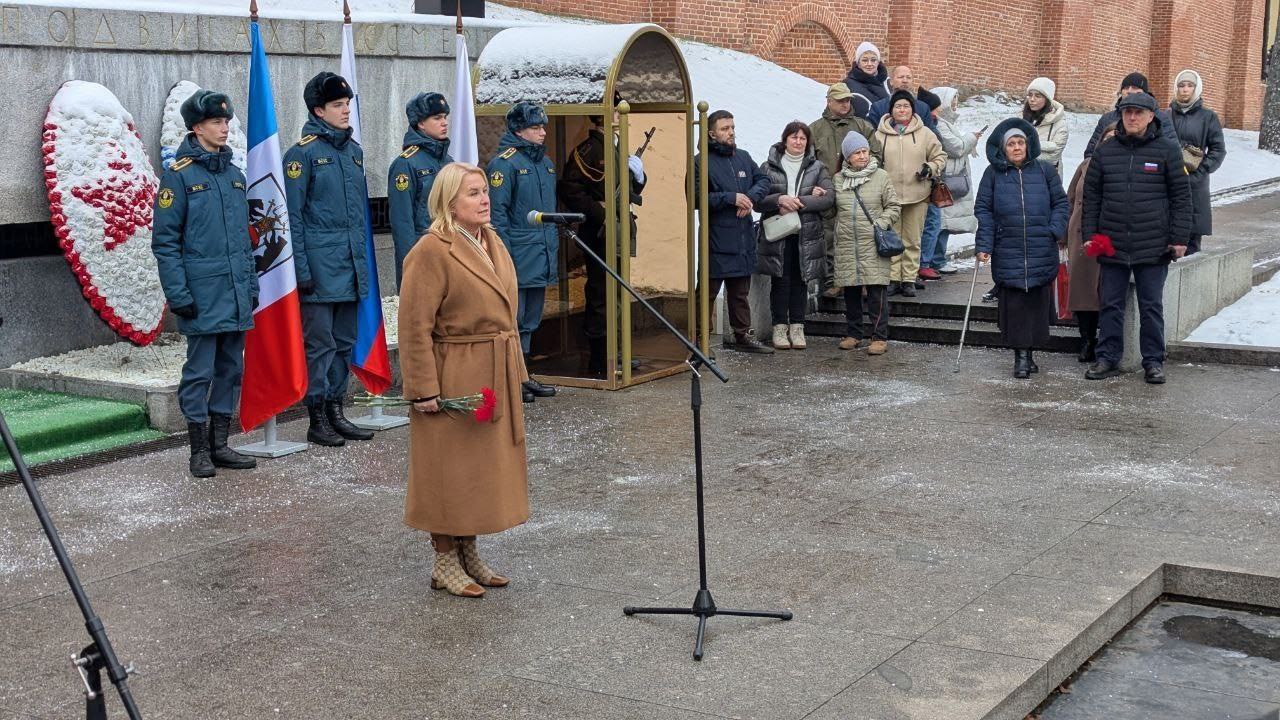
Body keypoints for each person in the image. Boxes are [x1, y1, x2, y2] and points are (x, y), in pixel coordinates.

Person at [398, 162, 528, 599]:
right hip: (453, 373)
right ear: (449, 201)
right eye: (473, 193)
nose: (485, 198)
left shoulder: (491, 241)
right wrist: (424, 389)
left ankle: (468, 551)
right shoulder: (431, 251)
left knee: (477, 470)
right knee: (446, 470)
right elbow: (414, 325)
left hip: (490, 371)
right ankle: (444, 559)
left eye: (485, 190)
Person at [152, 90, 259, 478]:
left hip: (233, 294)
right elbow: (165, 243)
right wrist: (178, 294)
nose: (224, 128)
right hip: (201, 296)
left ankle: (220, 444)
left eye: (226, 121)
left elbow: (244, 242)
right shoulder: (178, 178)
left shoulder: (234, 177)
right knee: (199, 372)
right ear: (197, 128)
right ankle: (198, 450)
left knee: (231, 370)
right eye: (216, 122)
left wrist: (250, 288)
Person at [284, 71, 375, 446]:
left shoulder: (354, 152)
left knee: (344, 342)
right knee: (319, 346)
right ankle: (316, 416)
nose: (346, 111)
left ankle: (338, 411)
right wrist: (302, 270)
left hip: (350, 268)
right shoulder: (301, 155)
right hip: (320, 271)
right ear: (318, 110)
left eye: (348, 104)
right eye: (338, 105)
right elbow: (293, 217)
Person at [1082, 92, 1192, 384]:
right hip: (1112, 242)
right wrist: (1090, 235)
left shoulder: (1167, 150)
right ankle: (1107, 357)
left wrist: (1180, 238)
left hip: (1153, 244)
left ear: (1151, 116)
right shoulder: (1105, 152)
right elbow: (1091, 197)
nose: (1132, 117)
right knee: (1110, 304)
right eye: (1127, 112)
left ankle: (1154, 361)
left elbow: (1182, 197)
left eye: (1138, 113)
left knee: (1151, 306)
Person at [974, 119, 1069, 379]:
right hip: (1008, 246)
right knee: (1015, 304)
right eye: (1011, 144)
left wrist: (1054, 229)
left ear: (1028, 145)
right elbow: (984, 210)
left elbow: (1061, 203)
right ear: (1003, 148)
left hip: (1040, 245)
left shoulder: (1045, 170)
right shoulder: (993, 174)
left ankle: (1030, 352)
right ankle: (1021, 357)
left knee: (1037, 302)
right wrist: (984, 244)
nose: (1017, 148)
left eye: (1020, 143)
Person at [558, 105, 647, 377]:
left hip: (619, 228)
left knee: (618, 290)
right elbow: (570, 189)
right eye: (615, 111)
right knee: (601, 293)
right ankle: (600, 356)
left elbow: (628, 188)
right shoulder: (588, 150)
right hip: (599, 230)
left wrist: (640, 177)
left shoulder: (619, 145)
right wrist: (602, 215)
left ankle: (617, 351)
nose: (620, 115)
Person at [486, 101, 558, 402]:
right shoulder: (504, 164)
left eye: (543, 127)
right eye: (535, 127)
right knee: (512, 319)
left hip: (541, 251)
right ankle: (510, 376)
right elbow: (497, 214)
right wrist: (502, 256)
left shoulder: (545, 163)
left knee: (531, 318)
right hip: (518, 252)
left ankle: (524, 373)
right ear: (518, 130)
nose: (542, 132)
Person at [694, 109, 773, 353]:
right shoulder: (700, 161)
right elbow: (696, 198)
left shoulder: (743, 157)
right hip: (715, 238)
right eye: (725, 129)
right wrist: (731, 198)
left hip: (742, 236)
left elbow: (764, 180)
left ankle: (743, 336)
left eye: (732, 128)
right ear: (711, 133)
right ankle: (699, 340)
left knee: (740, 292)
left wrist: (749, 198)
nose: (731, 132)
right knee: (706, 293)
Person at [756, 121, 835, 349]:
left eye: (802, 138)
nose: (798, 142)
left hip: (806, 232)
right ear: (785, 140)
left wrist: (800, 202)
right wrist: (778, 200)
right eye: (794, 137)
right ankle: (779, 328)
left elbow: (829, 198)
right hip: (778, 232)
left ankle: (798, 327)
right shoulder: (768, 167)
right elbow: (758, 200)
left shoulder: (817, 168)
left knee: (801, 280)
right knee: (780, 281)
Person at [808, 82, 881, 296]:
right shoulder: (815, 129)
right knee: (831, 237)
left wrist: (862, 173)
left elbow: (877, 155)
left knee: (863, 237)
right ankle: (834, 280)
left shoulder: (862, 126)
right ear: (829, 101)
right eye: (840, 100)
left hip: (861, 189)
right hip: (830, 191)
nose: (845, 103)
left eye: (848, 99)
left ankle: (865, 281)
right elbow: (809, 162)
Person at [832, 132, 899, 356]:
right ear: (847, 157)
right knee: (850, 290)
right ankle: (854, 333)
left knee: (876, 292)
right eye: (856, 153)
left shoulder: (881, 176)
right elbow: (832, 209)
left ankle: (879, 337)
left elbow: (893, 206)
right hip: (847, 243)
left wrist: (879, 224)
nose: (862, 156)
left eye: (864, 151)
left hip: (872, 242)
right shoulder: (838, 180)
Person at [875, 90, 946, 297]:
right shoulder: (879, 135)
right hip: (890, 197)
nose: (902, 110)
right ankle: (894, 278)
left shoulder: (925, 133)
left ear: (912, 109)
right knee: (893, 238)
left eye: (906, 106)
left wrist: (930, 168)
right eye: (898, 106)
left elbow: (940, 156)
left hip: (918, 195)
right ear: (891, 110)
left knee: (913, 239)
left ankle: (908, 279)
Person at [387, 92, 453, 291]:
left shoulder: (449, 162)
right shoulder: (406, 164)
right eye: (437, 118)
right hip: (422, 253)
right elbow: (402, 222)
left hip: (450, 252)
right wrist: (411, 265)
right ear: (420, 124)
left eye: (445, 117)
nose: (444, 123)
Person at [1065, 123, 1114, 363]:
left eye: (1116, 136)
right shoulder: (1085, 165)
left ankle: (1105, 340)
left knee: (1104, 288)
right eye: (1107, 137)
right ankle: (1086, 339)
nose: (1110, 141)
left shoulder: (1123, 166)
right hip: (1081, 233)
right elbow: (1071, 197)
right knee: (1083, 288)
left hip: (1108, 234)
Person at [1169, 69, 1226, 256]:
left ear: (1197, 88)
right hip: (1168, 182)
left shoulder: (1208, 117)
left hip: (1195, 184)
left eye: (1190, 85)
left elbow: (1218, 150)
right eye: (1181, 85)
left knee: (1190, 244)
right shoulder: (1166, 116)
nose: (1185, 89)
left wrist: (1201, 171)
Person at [932, 87, 982, 276]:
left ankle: (937, 258)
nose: (955, 104)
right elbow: (957, 147)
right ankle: (936, 260)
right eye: (952, 100)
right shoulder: (941, 125)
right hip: (947, 179)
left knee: (945, 221)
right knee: (942, 222)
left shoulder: (946, 123)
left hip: (951, 178)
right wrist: (971, 138)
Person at [1084, 73, 1179, 157]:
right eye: (1126, 87)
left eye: (1135, 87)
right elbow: (1091, 151)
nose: (1129, 91)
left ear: (1144, 93)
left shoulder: (1160, 118)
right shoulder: (1108, 118)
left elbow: (1174, 150)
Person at [916, 87, 945, 284]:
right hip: (922, 182)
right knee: (930, 222)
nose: (938, 113)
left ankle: (922, 262)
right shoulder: (926, 128)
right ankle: (923, 263)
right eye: (935, 109)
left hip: (931, 180)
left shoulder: (931, 125)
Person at [867, 67, 938, 133]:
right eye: (901, 77)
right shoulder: (878, 107)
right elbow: (871, 134)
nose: (905, 81)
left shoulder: (923, 108)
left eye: (908, 77)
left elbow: (932, 135)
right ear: (891, 81)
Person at [1023, 77, 1069, 176]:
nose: (1032, 99)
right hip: (1021, 175)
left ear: (1047, 99)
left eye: (1038, 96)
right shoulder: (1021, 119)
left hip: (1046, 177)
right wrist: (1046, 146)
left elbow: (1053, 156)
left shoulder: (1060, 124)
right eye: (1030, 95)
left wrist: (1025, 148)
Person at [843, 41, 890, 112]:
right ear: (858, 63)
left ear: (878, 62)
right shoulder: (847, 84)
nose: (869, 64)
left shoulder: (888, 83)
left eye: (873, 60)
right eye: (865, 60)